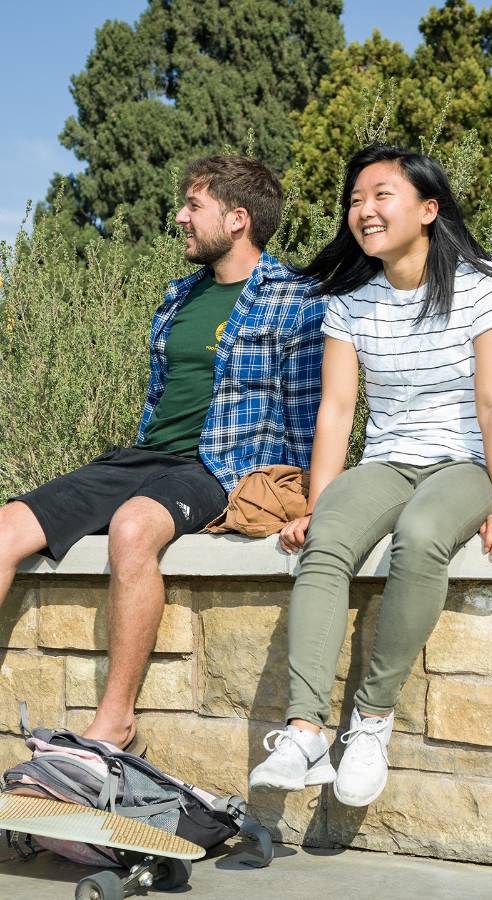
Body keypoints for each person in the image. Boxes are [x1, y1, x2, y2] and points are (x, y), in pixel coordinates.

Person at [0, 155, 324, 754]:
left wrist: (310, 502)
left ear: (237, 218)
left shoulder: (297, 301)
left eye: (193, 206)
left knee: (132, 528)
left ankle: (116, 719)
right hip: (146, 456)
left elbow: (310, 416)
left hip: (219, 468)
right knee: (5, 528)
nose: (180, 216)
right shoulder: (180, 296)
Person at [250, 143, 492, 807]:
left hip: (462, 465)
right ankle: (306, 733)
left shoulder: (484, 288)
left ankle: (371, 720)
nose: (364, 210)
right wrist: (319, 506)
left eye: (381, 195)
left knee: (422, 534)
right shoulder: (352, 303)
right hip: (387, 462)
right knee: (324, 546)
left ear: (428, 209)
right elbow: (338, 411)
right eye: (355, 199)